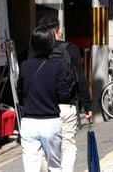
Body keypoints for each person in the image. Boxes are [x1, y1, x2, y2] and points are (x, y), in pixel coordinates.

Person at [39, 16, 92, 172]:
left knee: (43, 147)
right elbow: (80, 79)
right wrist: (87, 105)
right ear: (58, 31)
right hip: (66, 105)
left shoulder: (35, 50)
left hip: (42, 107)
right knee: (67, 145)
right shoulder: (70, 49)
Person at [17, 25, 69, 172]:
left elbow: (21, 92)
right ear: (50, 44)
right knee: (54, 166)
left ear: (33, 44)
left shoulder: (24, 66)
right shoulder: (57, 66)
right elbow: (64, 94)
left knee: (31, 167)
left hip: (29, 122)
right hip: (50, 122)